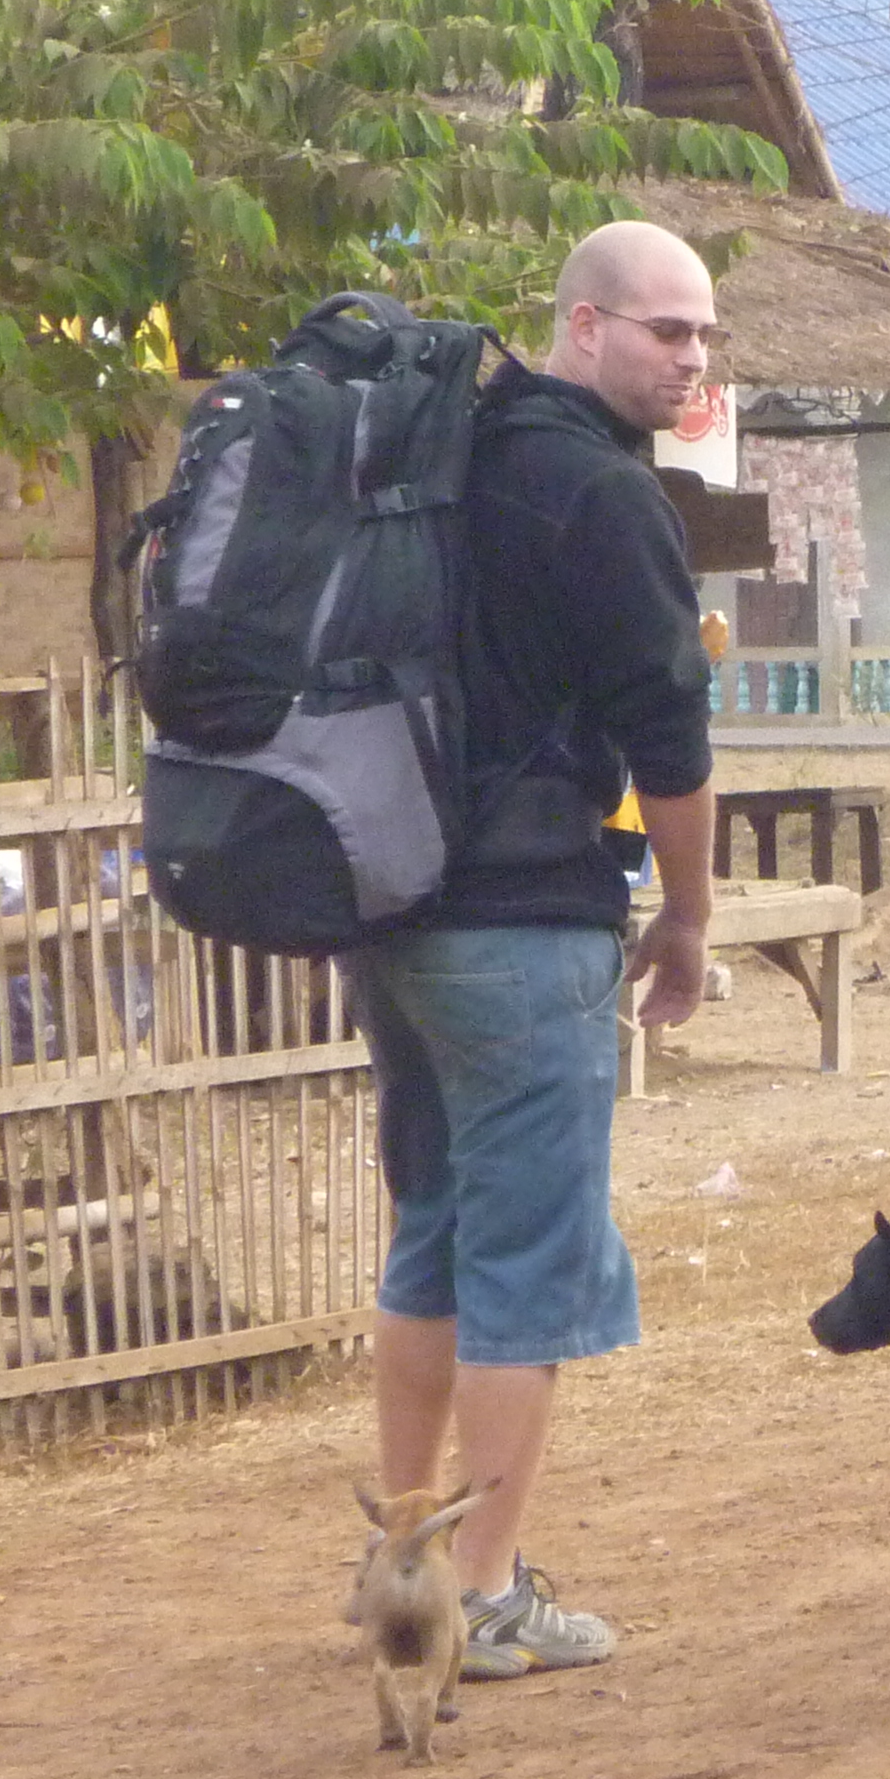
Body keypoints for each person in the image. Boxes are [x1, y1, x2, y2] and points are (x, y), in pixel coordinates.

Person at [360, 220, 720, 1677]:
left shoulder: (442, 462)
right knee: (525, 1259)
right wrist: (690, 917)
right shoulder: (597, 494)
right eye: (662, 332)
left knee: (435, 1233)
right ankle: (486, 1592)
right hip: (520, 921)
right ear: (580, 325)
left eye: (704, 337)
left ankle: (400, 1562)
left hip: (392, 907)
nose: (688, 361)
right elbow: (671, 739)